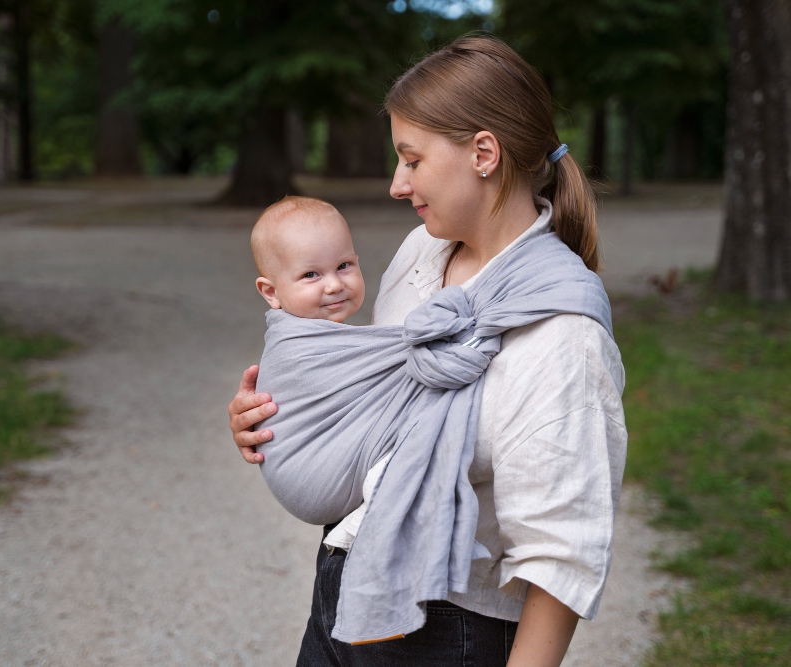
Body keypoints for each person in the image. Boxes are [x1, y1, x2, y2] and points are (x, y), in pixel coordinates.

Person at [229, 35, 626, 667]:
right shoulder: (423, 254)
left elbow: (563, 556)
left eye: (411, 160)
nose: (396, 184)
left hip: (450, 630)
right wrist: (283, 415)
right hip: (346, 584)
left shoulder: (563, 334)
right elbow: (379, 401)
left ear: (484, 154)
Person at [250, 196, 366, 323]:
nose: (335, 285)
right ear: (272, 292)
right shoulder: (298, 341)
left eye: (343, 266)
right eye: (310, 275)